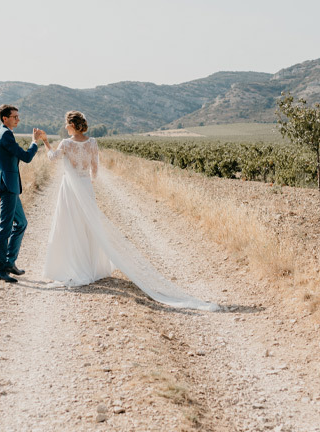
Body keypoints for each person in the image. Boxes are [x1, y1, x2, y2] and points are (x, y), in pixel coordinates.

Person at [40, 111, 218, 311]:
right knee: (89, 225)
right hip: (85, 186)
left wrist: (45, 142)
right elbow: (95, 171)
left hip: (71, 188)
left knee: (70, 224)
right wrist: (85, 181)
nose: (65, 127)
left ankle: (74, 266)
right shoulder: (92, 143)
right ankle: (91, 267)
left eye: (66, 124)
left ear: (72, 125)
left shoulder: (65, 144)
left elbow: (52, 158)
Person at [0, 104, 45, 283]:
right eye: (15, 117)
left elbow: (1, 164)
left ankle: (9, 262)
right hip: (9, 187)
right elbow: (26, 157)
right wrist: (34, 142)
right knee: (5, 227)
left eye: (17, 116)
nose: (18, 119)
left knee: (21, 223)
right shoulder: (6, 134)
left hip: (8, 186)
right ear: (5, 118)